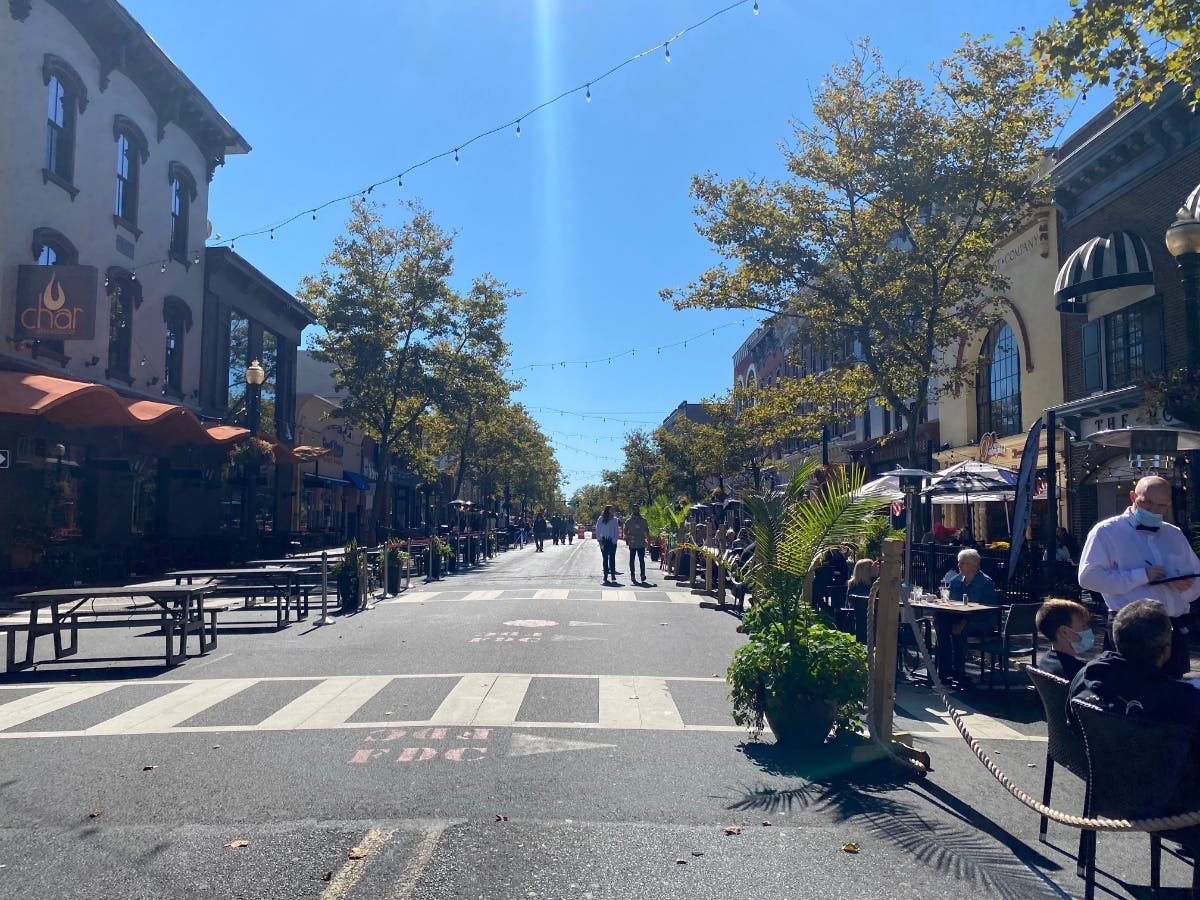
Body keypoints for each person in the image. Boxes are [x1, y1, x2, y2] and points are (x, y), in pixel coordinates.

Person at [1078, 475, 1200, 678]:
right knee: (1130, 695)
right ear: (1133, 496)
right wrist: (1140, 576)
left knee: (1174, 697)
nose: (1153, 510)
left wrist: (1185, 587)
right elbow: (1088, 577)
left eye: (1161, 506)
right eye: (1147, 503)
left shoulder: (1174, 534)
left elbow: (1196, 577)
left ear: (1168, 505)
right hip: (1130, 628)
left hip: (1170, 626)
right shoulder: (1107, 531)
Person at [1069, 599, 1200, 727]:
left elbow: (1071, 726)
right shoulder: (1183, 699)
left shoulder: (1084, 676)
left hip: (1091, 748)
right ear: (1166, 650)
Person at [935, 548, 999, 686]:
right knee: (942, 624)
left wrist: (964, 623)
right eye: (959, 563)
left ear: (974, 565)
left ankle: (959, 672)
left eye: (963, 563)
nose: (959, 566)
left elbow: (986, 610)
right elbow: (951, 602)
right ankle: (944, 671)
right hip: (959, 617)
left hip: (981, 621)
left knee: (960, 631)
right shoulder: (956, 581)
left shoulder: (985, 582)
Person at [1034, 598, 1093, 681]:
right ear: (1064, 632)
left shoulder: (1045, 661)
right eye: (1083, 626)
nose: (1088, 629)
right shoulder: (1082, 674)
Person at [623, 504, 651, 584]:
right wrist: (628, 537)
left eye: (637, 509)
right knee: (632, 560)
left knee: (641, 560)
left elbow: (647, 532)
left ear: (639, 510)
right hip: (632, 543)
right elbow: (625, 531)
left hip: (641, 543)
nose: (636, 510)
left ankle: (643, 575)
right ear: (632, 510)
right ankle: (632, 575)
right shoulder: (628, 521)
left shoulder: (643, 520)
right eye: (634, 509)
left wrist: (649, 543)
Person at [595, 506, 620, 584]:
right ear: (608, 510)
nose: (613, 511)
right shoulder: (601, 519)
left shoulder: (615, 519)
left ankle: (613, 575)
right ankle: (605, 575)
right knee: (605, 559)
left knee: (612, 558)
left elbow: (616, 531)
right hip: (604, 540)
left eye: (613, 510)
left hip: (612, 541)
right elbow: (598, 529)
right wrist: (599, 540)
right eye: (611, 509)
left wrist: (614, 541)